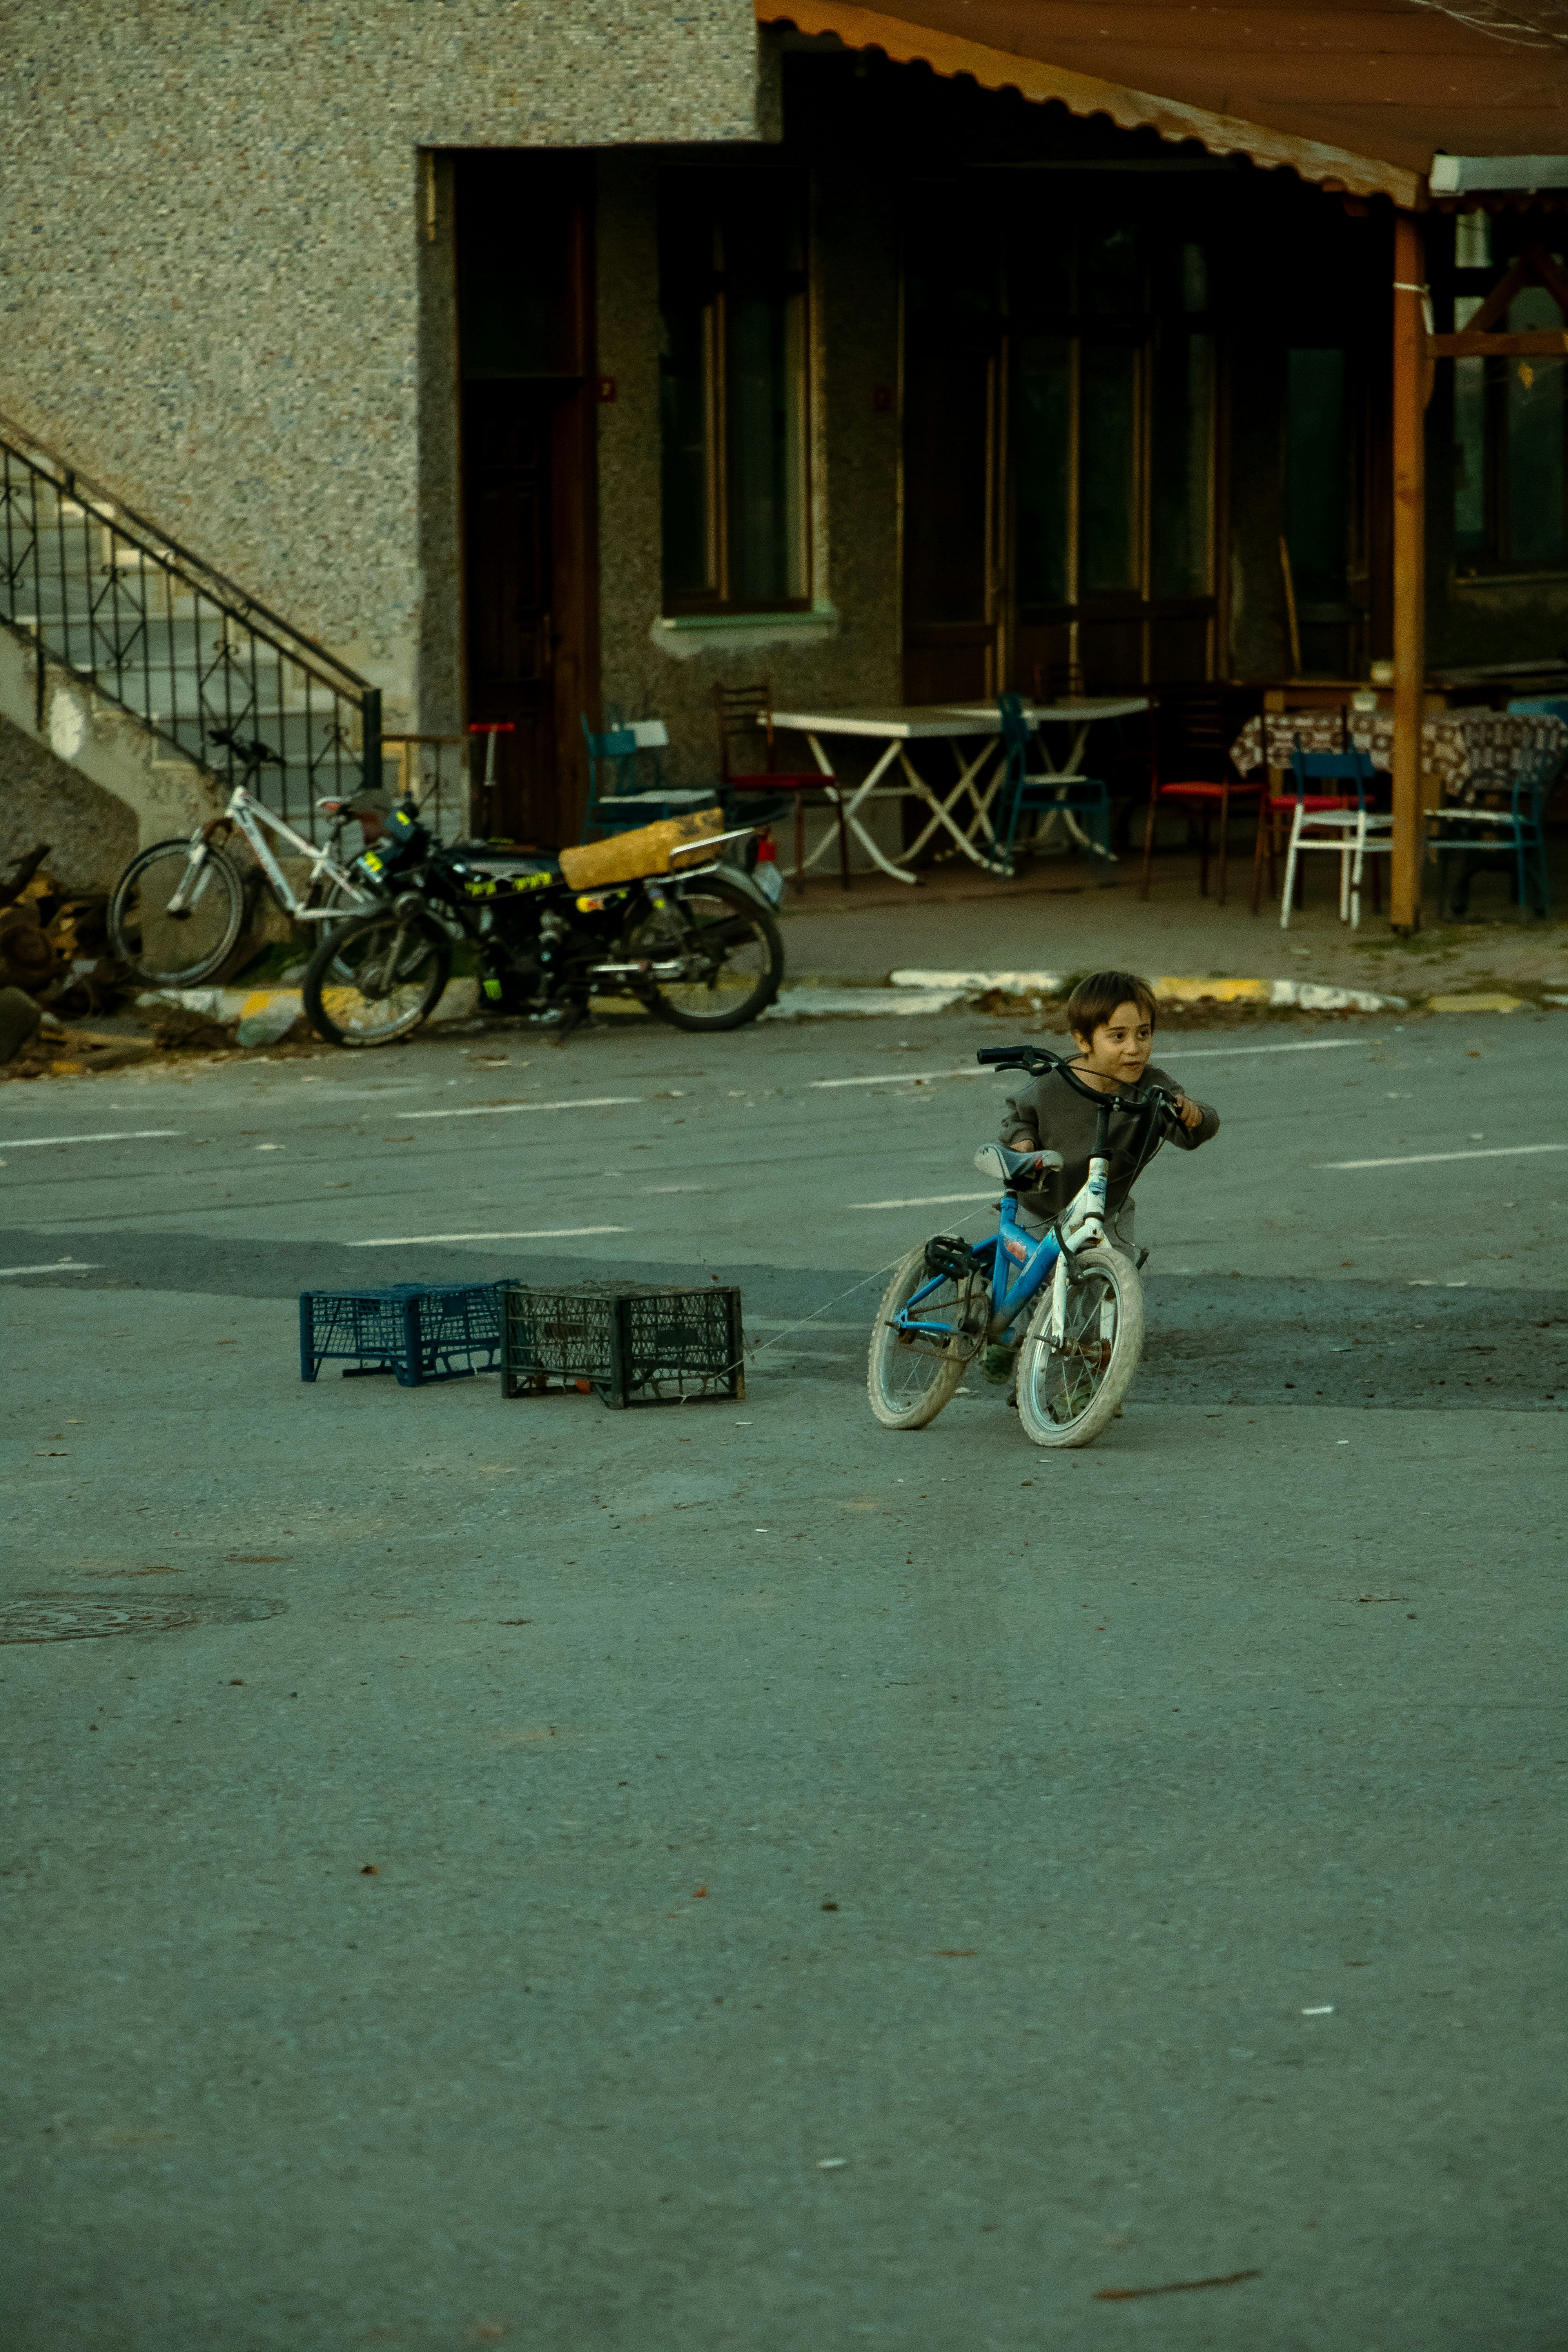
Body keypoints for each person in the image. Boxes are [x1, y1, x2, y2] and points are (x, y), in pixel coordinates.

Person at [980, 969, 1219, 1386]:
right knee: (1028, 1286)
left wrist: (1191, 1113)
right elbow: (1017, 1118)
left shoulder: (1151, 1089)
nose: (1134, 1049)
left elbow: (1194, 1131)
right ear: (1082, 1041)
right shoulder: (1054, 1084)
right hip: (1043, 1201)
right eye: (1118, 1036)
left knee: (1105, 1293)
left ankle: (1089, 1385)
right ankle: (1003, 1340)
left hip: (1103, 1209)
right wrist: (1023, 1145)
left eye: (1143, 1034)